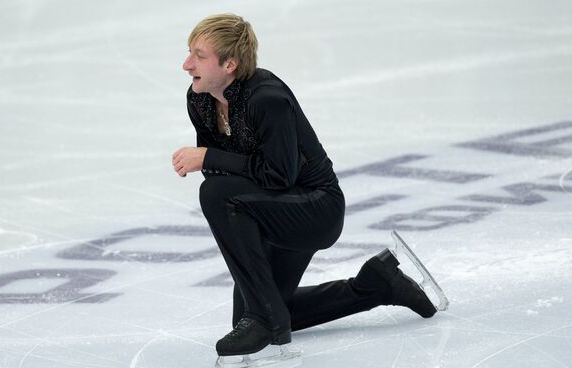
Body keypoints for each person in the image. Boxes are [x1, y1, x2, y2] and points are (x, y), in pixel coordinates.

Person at [172, 13, 437, 359]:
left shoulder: (267, 99)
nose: (186, 64)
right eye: (189, 52)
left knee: (216, 198)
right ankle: (375, 285)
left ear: (230, 64)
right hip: (271, 207)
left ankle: (266, 318)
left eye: (199, 55)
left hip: (314, 208)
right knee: (258, 312)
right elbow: (232, 177)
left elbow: (278, 175)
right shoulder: (201, 100)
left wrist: (209, 158)